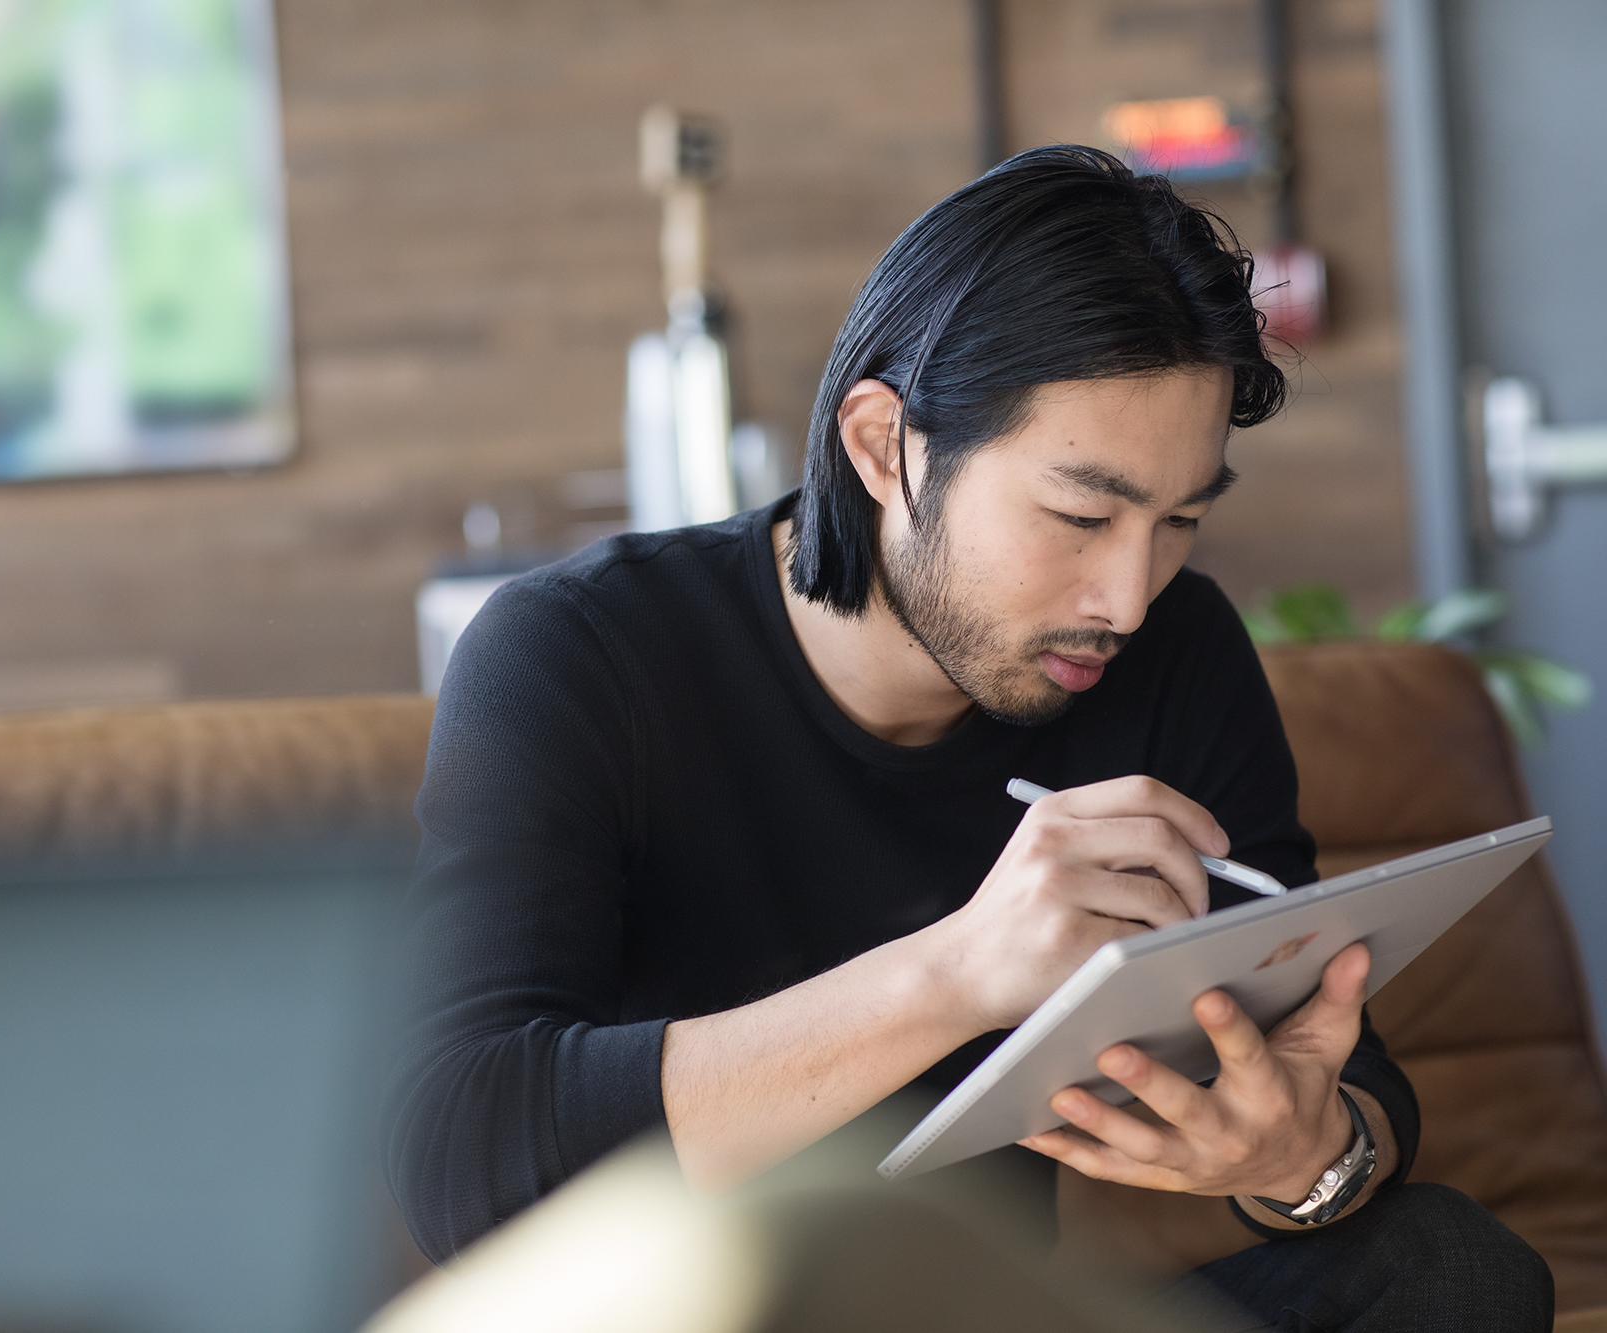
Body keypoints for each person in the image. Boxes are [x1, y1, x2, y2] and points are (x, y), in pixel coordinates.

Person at [386, 146, 1552, 1329]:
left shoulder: (1170, 651)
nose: (1125, 597)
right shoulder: (577, 653)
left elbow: (1336, 1064)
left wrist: (1299, 1156)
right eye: (1079, 514)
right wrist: (954, 971)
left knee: (1445, 1269)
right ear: (882, 443)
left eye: (1177, 521)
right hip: (721, 1308)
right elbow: (460, 1152)